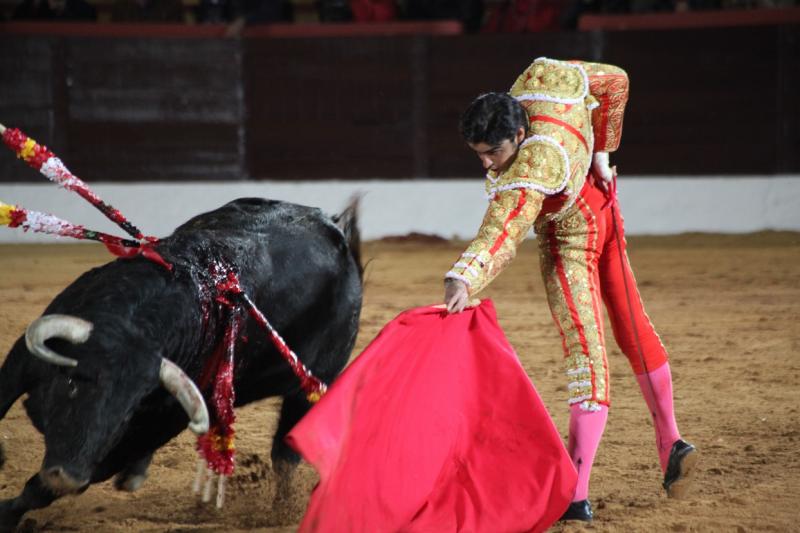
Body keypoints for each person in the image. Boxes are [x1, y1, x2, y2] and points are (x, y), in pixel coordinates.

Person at [443, 57, 698, 522]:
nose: (485, 162)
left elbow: (504, 228)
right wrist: (602, 151)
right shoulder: (546, 78)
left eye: (492, 152)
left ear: (519, 136)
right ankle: (671, 442)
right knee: (631, 324)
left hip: (570, 237)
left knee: (586, 352)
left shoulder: (533, 165)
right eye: (477, 151)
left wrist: (464, 275)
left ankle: (576, 495)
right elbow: (614, 81)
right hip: (603, 206)